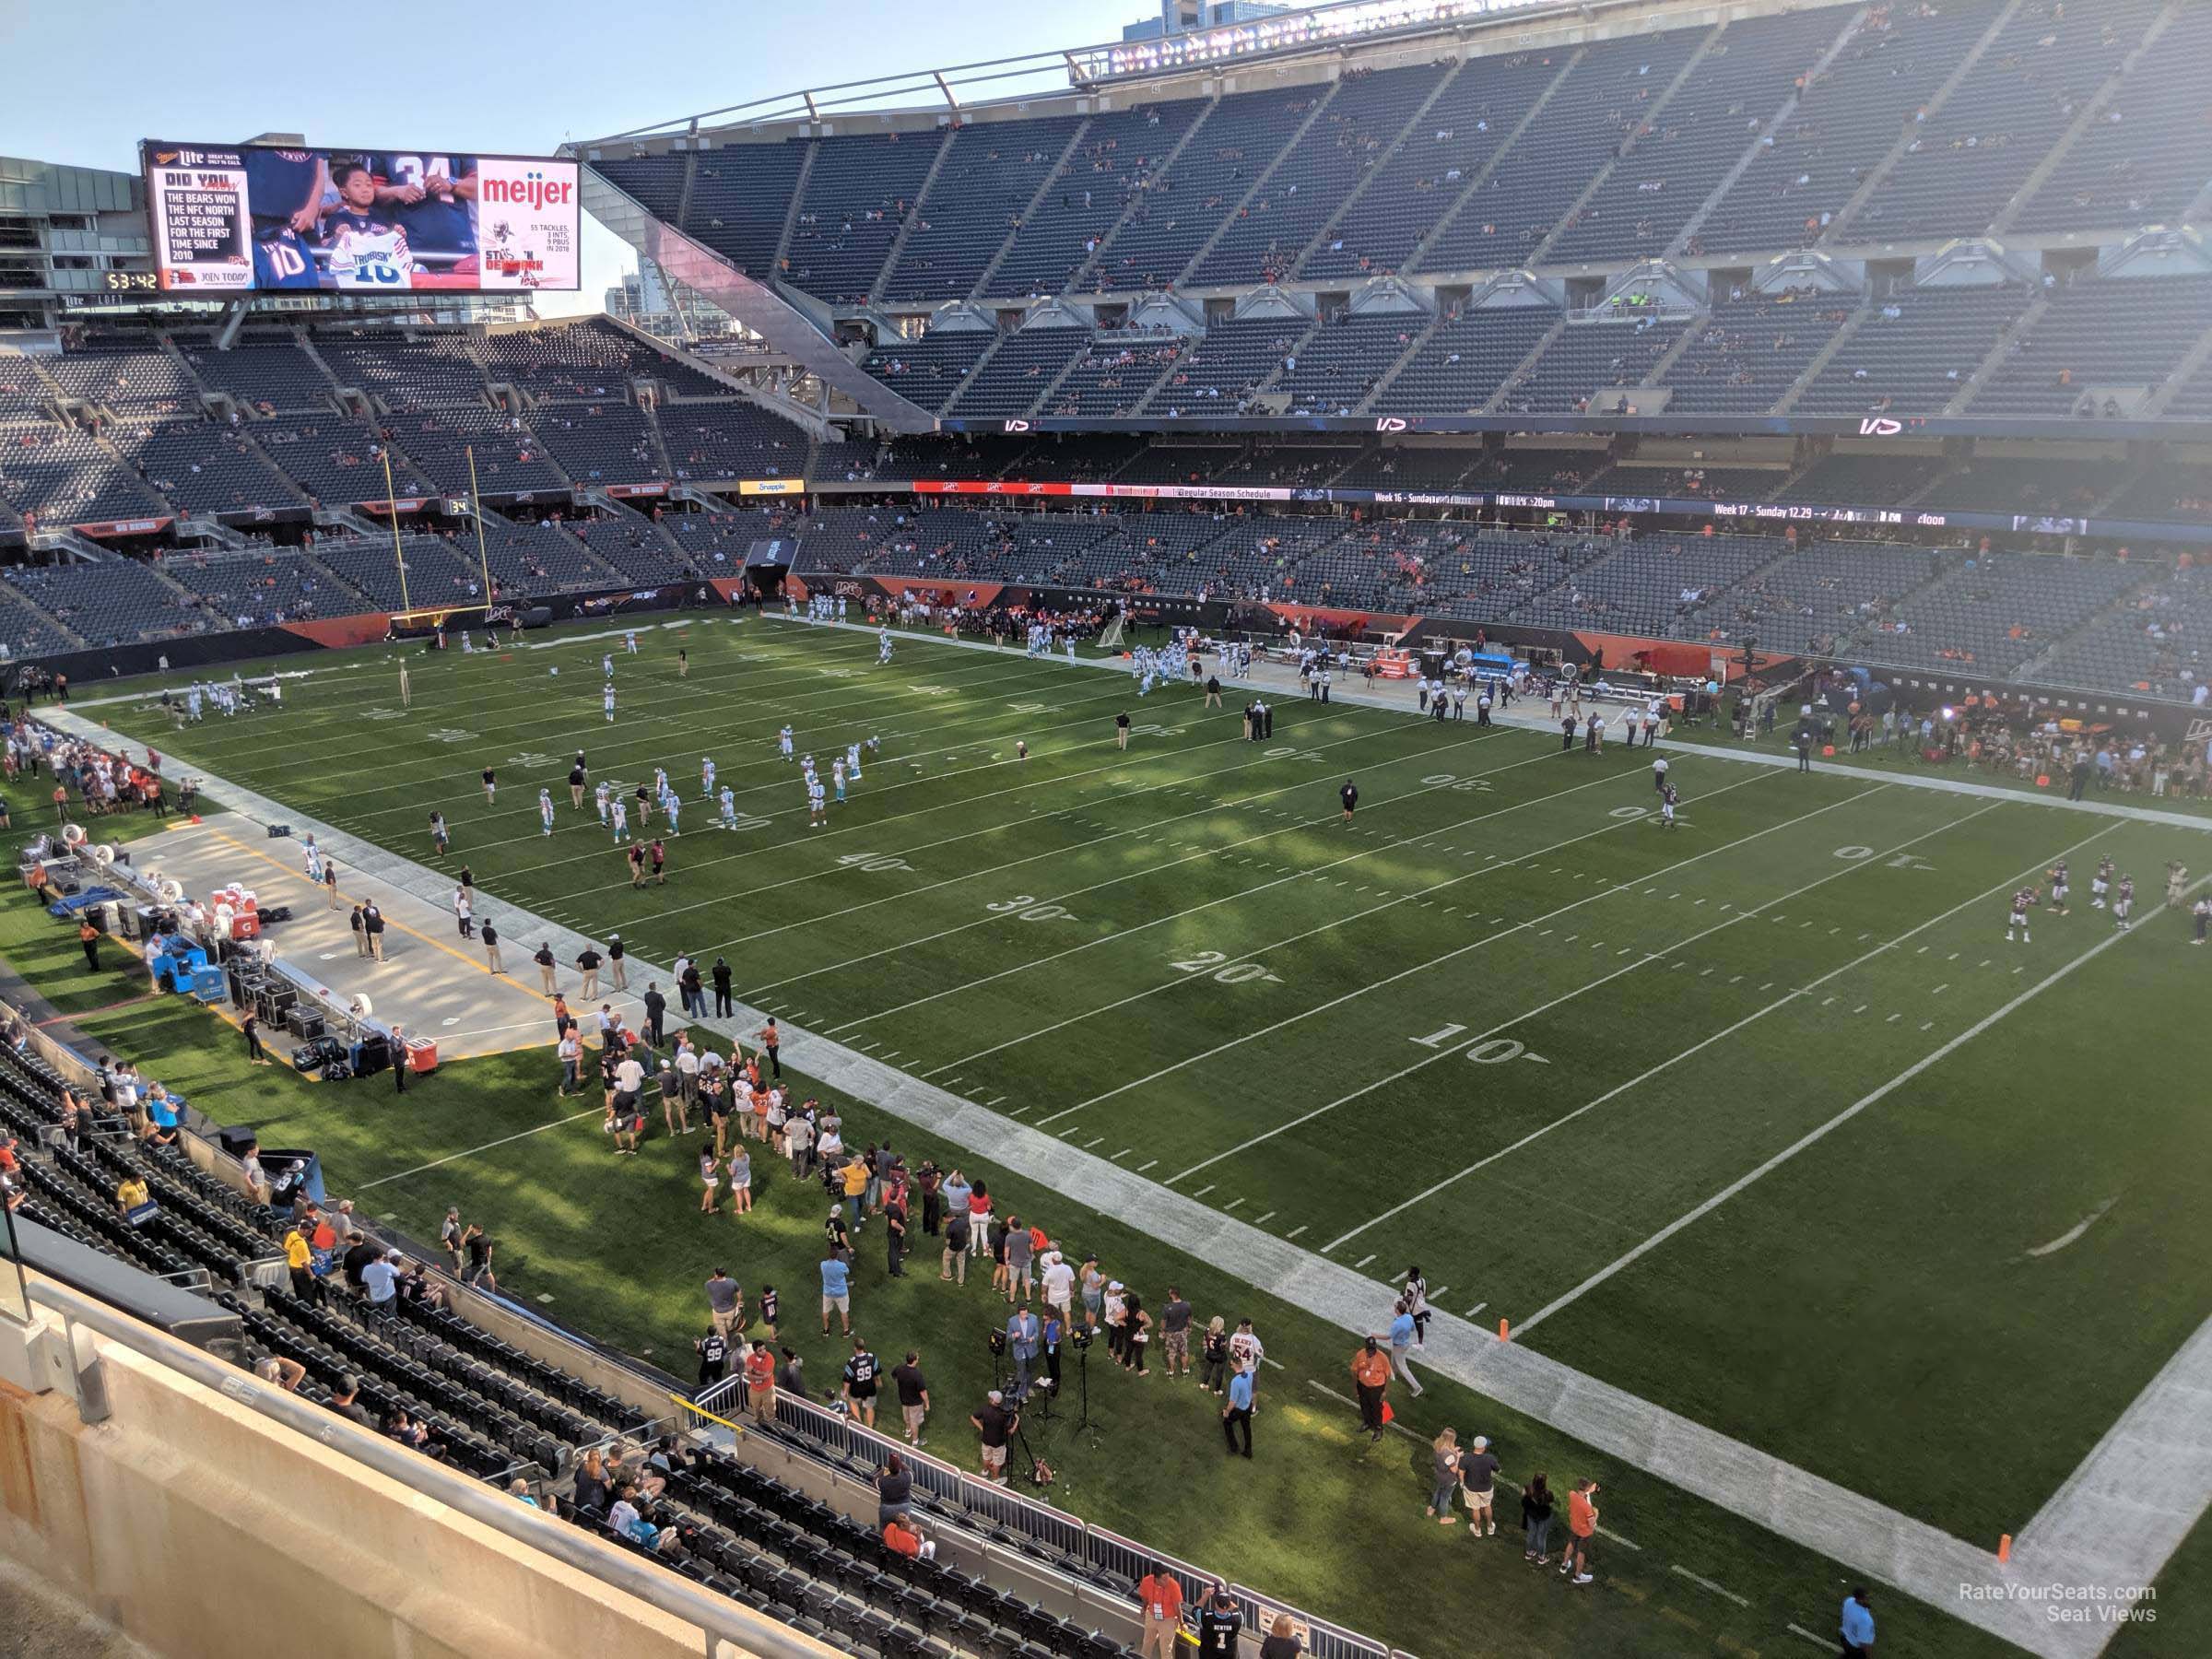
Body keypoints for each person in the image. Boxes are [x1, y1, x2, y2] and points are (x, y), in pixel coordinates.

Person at [1135, 1563, 1183, 1659]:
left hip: (1168, 1620)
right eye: (1164, 1579)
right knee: (1147, 1644)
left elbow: (1177, 1607)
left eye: (1168, 1577)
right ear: (1156, 1578)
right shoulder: (1146, 1581)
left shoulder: (1173, 1585)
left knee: (1166, 1649)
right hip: (1152, 1615)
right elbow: (1144, 1597)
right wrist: (1144, 1608)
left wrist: (1181, 1623)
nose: (1167, 1581)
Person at [971, 1388, 1016, 1486]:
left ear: (992, 1400)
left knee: (986, 1457)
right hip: (998, 1443)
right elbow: (1011, 1431)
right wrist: (1017, 1421)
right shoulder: (1002, 1415)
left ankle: (985, 1472)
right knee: (997, 1462)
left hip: (986, 1440)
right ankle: (995, 1480)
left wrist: (982, 1428)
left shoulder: (985, 1409)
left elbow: (973, 1417)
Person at [1350, 1335, 1390, 1441]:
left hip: (1376, 1388)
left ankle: (1378, 1429)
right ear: (1366, 1347)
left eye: (1373, 1349)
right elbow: (1354, 1371)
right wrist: (1355, 1387)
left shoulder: (1382, 1357)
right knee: (1364, 1406)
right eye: (1369, 1349)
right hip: (1362, 1386)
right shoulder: (1360, 1354)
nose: (1371, 1351)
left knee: (1376, 1409)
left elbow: (1388, 1375)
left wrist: (1385, 1391)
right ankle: (1367, 1422)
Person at [1461, 1434, 1500, 1536]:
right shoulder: (1490, 1458)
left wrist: (1462, 1482)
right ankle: (1490, 1528)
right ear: (1483, 1447)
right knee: (1487, 1506)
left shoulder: (1466, 1457)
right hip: (1487, 1488)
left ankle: (1477, 1530)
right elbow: (1498, 1470)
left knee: (1475, 1509)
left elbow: (1461, 1471)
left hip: (1471, 1488)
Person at [1562, 1478, 1599, 1583]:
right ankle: (1577, 1576)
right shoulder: (1587, 1507)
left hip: (1574, 1526)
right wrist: (1596, 1514)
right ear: (1587, 1488)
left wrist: (1589, 1491)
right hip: (1585, 1532)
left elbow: (1582, 1494)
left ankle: (1564, 1565)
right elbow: (1592, 1524)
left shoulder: (1572, 1494)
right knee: (1581, 1553)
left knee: (1571, 1544)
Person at [891, 1349, 930, 1446]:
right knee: (914, 1422)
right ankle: (915, 1441)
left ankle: (908, 1431)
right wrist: (927, 1403)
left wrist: (900, 1385)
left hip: (904, 1399)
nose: (918, 1358)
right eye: (917, 1357)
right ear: (914, 1360)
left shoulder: (899, 1368)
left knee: (907, 1417)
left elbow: (894, 1376)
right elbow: (923, 1391)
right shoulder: (916, 1374)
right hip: (915, 1403)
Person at [841, 1336, 880, 1428]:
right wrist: (878, 1381)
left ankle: (859, 1424)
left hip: (856, 1389)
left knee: (853, 1403)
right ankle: (870, 1428)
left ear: (855, 1348)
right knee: (869, 1407)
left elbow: (847, 1379)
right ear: (863, 1346)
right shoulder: (872, 1358)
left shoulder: (852, 1362)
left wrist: (845, 1391)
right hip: (870, 1388)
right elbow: (876, 1372)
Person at [1195, 1584, 1242, 1657]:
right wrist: (1225, 1597)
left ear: (1216, 1604)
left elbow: (1196, 1609)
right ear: (1228, 1605)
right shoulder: (1237, 1619)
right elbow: (1236, 1609)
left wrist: (1206, 1595)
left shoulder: (1206, 1617)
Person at [1388, 1298, 1423, 1396]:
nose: (1394, 1308)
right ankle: (1392, 1373)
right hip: (1404, 1344)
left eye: (1396, 1308)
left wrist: (1375, 1335)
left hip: (1399, 1346)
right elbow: (1412, 1329)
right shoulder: (1409, 1317)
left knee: (1403, 1368)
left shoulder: (1397, 1323)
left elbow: (1389, 1336)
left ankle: (1417, 1387)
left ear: (1398, 1311)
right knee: (1394, 1359)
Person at [1428, 1428, 1463, 1524]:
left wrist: (1454, 1451)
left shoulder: (1438, 1445)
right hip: (1448, 1480)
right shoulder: (1448, 1455)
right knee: (1445, 1498)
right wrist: (1458, 1457)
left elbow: (1446, 1456)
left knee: (1437, 1492)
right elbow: (1454, 1469)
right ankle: (1443, 1518)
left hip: (1439, 1475)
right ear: (1451, 1440)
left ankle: (1431, 1508)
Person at [1006, 1305, 1041, 1399]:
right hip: (1019, 1350)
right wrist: (1014, 1335)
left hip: (1031, 1349)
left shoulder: (1034, 1318)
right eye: (1023, 1314)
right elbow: (1008, 1336)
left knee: (1030, 1371)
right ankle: (1022, 1393)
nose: (1025, 1315)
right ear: (1018, 1314)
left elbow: (1037, 1333)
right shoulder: (1012, 1321)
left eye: (1026, 1313)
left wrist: (1033, 1338)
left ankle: (1029, 1387)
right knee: (1022, 1373)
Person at [1522, 1472, 1556, 1564]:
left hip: (1531, 1516)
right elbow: (1551, 1503)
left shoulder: (1527, 1488)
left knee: (1531, 1533)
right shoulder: (1548, 1494)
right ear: (1544, 1483)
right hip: (1543, 1518)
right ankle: (1541, 1558)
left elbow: (1524, 1498)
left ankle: (1529, 1553)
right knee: (1541, 1537)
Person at [1222, 1363, 1253, 1458]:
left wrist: (1226, 1412)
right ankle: (1248, 1451)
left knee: (1227, 1423)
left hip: (1239, 1409)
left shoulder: (1235, 1381)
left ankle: (1234, 1447)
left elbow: (1232, 1402)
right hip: (1248, 1406)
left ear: (1235, 1365)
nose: (1230, 1366)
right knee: (1246, 1428)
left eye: (1231, 1364)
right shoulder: (1250, 1373)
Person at [874, 1452, 912, 1530]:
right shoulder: (907, 1477)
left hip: (887, 1508)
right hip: (903, 1507)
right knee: (903, 1530)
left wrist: (885, 1468)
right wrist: (900, 1463)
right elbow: (911, 1472)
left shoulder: (883, 1481)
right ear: (899, 1467)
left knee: (885, 1531)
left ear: (889, 1468)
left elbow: (875, 1480)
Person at [819, 1249, 852, 1335]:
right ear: (837, 1256)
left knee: (825, 1311)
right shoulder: (842, 1265)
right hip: (841, 1292)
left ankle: (826, 1330)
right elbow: (847, 1272)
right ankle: (846, 1331)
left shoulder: (823, 1264)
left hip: (828, 1292)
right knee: (844, 1312)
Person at [1840, 1585, 1876, 1657]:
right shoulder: (1865, 1619)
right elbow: (1864, 1644)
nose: (1869, 1599)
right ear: (1860, 1600)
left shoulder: (1849, 1601)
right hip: (1854, 1647)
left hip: (1844, 1638)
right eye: (1867, 1598)